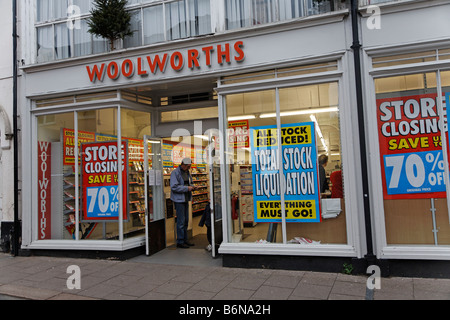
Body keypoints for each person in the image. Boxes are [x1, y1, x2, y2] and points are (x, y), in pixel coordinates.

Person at [170, 157, 196, 248]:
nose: (189, 168)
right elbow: (174, 186)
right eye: (188, 166)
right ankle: (180, 241)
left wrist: (192, 186)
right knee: (181, 221)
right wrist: (187, 188)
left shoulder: (187, 172)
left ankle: (185, 239)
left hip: (185, 198)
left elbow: (190, 182)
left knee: (185, 221)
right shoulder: (175, 173)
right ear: (183, 165)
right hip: (179, 200)